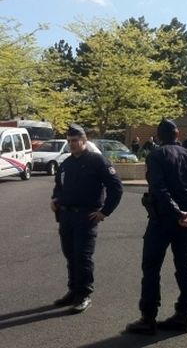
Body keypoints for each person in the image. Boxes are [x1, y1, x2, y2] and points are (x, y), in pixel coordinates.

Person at [126, 119, 187, 335]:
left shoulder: (156, 156)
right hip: (184, 223)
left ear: (159, 136)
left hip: (163, 220)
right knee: (184, 267)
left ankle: (148, 317)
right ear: (177, 133)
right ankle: (184, 315)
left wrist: (178, 212)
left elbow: (160, 190)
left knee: (151, 268)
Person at [50, 124, 123, 314]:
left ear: (84, 141)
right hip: (66, 217)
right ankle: (73, 291)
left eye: (75, 141)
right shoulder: (66, 163)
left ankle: (84, 295)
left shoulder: (97, 161)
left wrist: (105, 212)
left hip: (86, 217)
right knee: (70, 256)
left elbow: (116, 188)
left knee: (82, 257)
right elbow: (59, 186)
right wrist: (55, 199)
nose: (72, 144)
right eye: (69, 141)